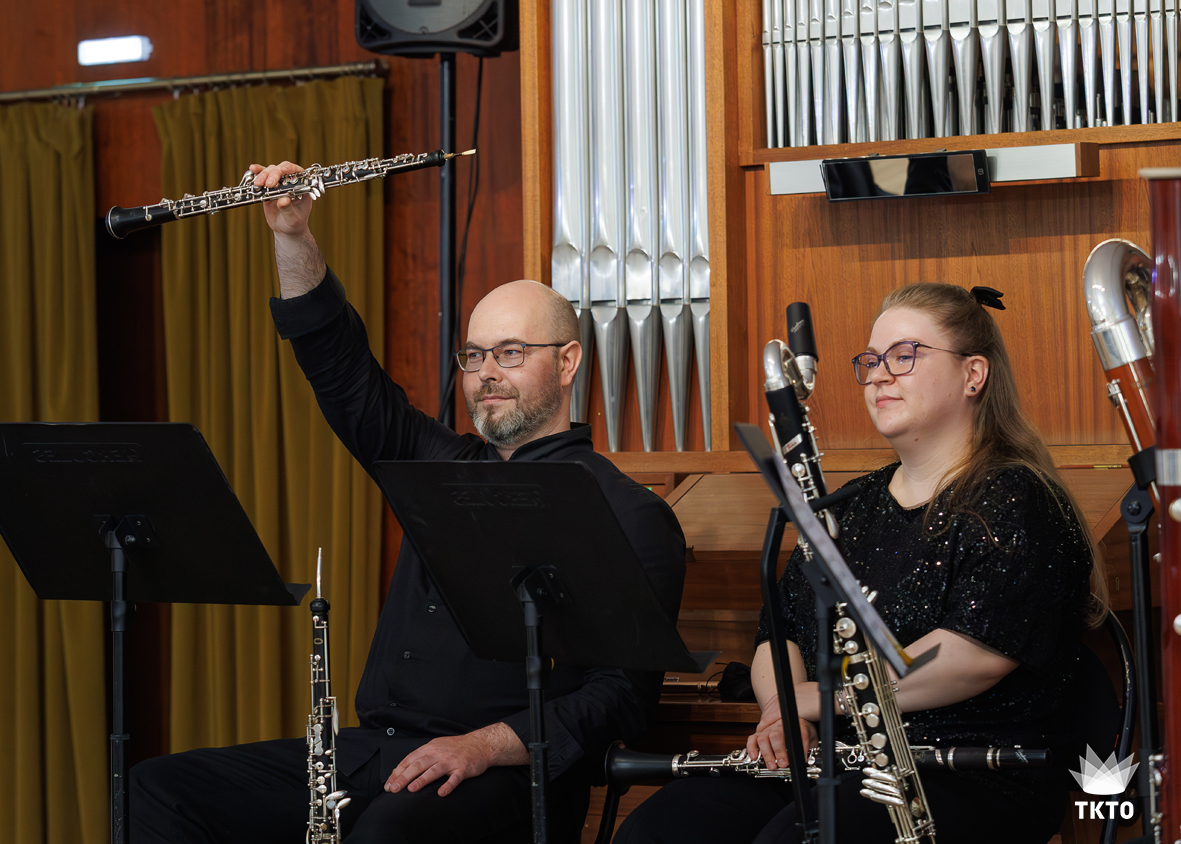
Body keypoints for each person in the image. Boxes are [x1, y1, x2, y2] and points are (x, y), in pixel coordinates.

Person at [129, 162, 687, 844]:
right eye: (473, 356)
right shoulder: (437, 467)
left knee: (387, 833)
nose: (486, 375)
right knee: (157, 790)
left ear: (567, 362)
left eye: (511, 353)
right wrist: (292, 234)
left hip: (505, 774)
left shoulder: (631, 513)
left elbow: (619, 698)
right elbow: (340, 369)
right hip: (374, 753)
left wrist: (484, 744)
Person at [615, 283, 1104, 844]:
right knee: (659, 829)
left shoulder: (1018, 498)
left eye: (904, 356)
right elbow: (781, 631)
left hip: (969, 770)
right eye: (871, 361)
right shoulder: (851, 505)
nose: (878, 376)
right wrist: (782, 713)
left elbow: (973, 656)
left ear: (974, 374)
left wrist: (825, 701)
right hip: (838, 756)